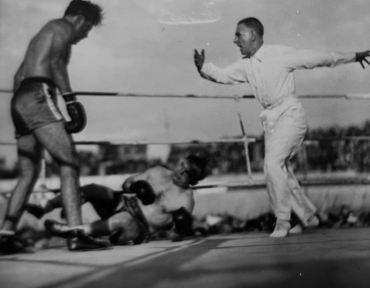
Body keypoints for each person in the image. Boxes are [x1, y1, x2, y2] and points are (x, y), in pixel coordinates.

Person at [194, 17, 370, 237]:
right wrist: (203, 67)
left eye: (239, 35)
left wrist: (354, 56)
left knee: (272, 163)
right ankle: (308, 217)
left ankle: (282, 221)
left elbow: (319, 58)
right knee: (282, 170)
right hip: (271, 120)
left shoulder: (279, 53)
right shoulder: (245, 65)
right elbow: (222, 75)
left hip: (290, 114)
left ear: (253, 35)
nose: (235, 40)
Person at [0, 0, 109, 254]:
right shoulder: (63, 28)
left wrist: (25, 111)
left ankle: (4, 236)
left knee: (29, 173)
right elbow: (56, 64)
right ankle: (76, 234)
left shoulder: (42, 34)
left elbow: (18, 76)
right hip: (39, 94)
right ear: (79, 19)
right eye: (88, 28)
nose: (85, 36)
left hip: (20, 100)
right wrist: (70, 99)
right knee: (69, 162)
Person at [26, 154, 210, 244]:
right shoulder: (159, 171)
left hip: (138, 227)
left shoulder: (186, 200)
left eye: (187, 173)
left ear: (194, 180)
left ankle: (76, 232)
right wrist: (134, 187)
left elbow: (176, 236)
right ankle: (45, 206)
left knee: (124, 219)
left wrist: (181, 228)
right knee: (94, 190)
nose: (180, 172)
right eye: (182, 166)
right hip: (122, 202)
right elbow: (127, 183)